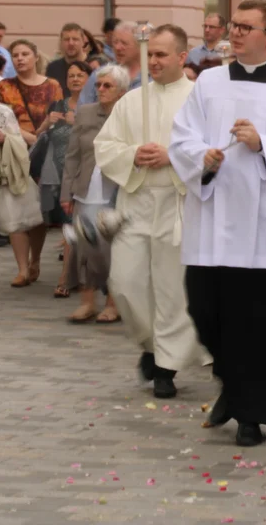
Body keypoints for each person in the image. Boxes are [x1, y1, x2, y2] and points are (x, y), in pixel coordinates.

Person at [170, 0, 266, 447]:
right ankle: (233, 386)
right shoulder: (208, 83)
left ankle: (251, 412)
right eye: (233, 25)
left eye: (245, 27)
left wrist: (263, 144)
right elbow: (183, 137)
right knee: (206, 311)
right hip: (216, 221)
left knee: (262, 325)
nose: (234, 33)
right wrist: (204, 157)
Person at [94, 25, 200, 400]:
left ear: (182, 57)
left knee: (172, 288)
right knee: (125, 283)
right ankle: (151, 344)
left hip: (178, 200)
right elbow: (105, 146)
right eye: (149, 54)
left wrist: (173, 158)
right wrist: (132, 155)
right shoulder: (129, 101)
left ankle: (165, 367)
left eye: (161, 55)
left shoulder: (199, 99)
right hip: (136, 202)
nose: (153, 61)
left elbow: (214, 150)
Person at [60, 65, 129, 323]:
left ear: (122, 91)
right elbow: (72, 155)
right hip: (85, 188)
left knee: (113, 248)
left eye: (107, 85)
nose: (100, 90)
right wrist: (66, 191)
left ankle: (113, 303)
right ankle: (87, 302)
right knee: (83, 248)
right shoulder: (86, 113)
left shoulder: (130, 115)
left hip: (116, 190)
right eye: (98, 85)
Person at [0, 39, 64, 287]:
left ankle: (35, 261)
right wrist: (29, 138)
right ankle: (22, 268)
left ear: (36, 57)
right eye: (15, 55)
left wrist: (41, 137)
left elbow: (58, 117)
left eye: (25, 54)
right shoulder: (4, 86)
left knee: (37, 212)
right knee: (16, 210)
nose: (20, 59)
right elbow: (0, 119)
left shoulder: (52, 85)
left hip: (44, 153)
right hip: (15, 153)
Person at [42, 60, 92, 296]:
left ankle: (78, 277)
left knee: (82, 227)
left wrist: (79, 124)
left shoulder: (95, 107)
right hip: (61, 176)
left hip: (89, 175)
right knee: (69, 227)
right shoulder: (57, 105)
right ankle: (68, 277)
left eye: (80, 75)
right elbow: (39, 137)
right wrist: (46, 123)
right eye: (70, 75)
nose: (74, 79)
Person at [78, 21, 143, 106]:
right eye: (115, 42)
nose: (117, 47)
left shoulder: (152, 76)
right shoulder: (100, 74)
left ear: (139, 46)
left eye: (124, 43)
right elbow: (82, 109)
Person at [46, 23, 89, 97]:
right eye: (66, 39)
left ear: (83, 42)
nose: (71, 43)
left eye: (75, 39)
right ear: (61, 42)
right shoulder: (52, 68)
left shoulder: (94, 65)